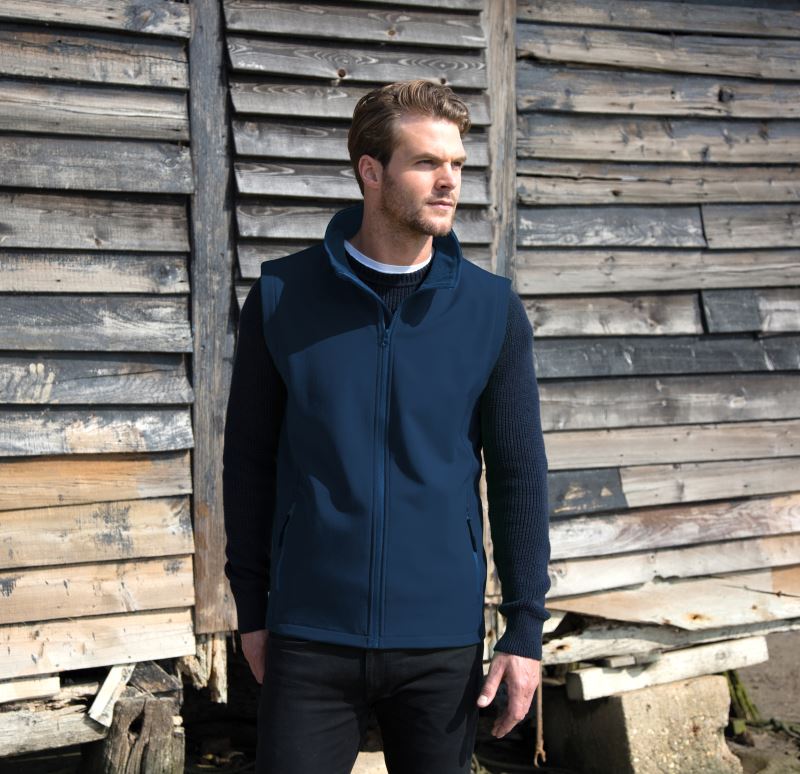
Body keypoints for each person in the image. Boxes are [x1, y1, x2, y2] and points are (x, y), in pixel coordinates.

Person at [222, 79, 551, 774]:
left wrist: (525, 629)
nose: (449, 181)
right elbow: (247, 461)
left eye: (456, 163)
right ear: (370, 171)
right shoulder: (282, 297)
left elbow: (519, 475)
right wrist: (252, 609)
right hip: (311, 633)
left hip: (441, 640)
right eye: (426, 162)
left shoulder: (492, 311)